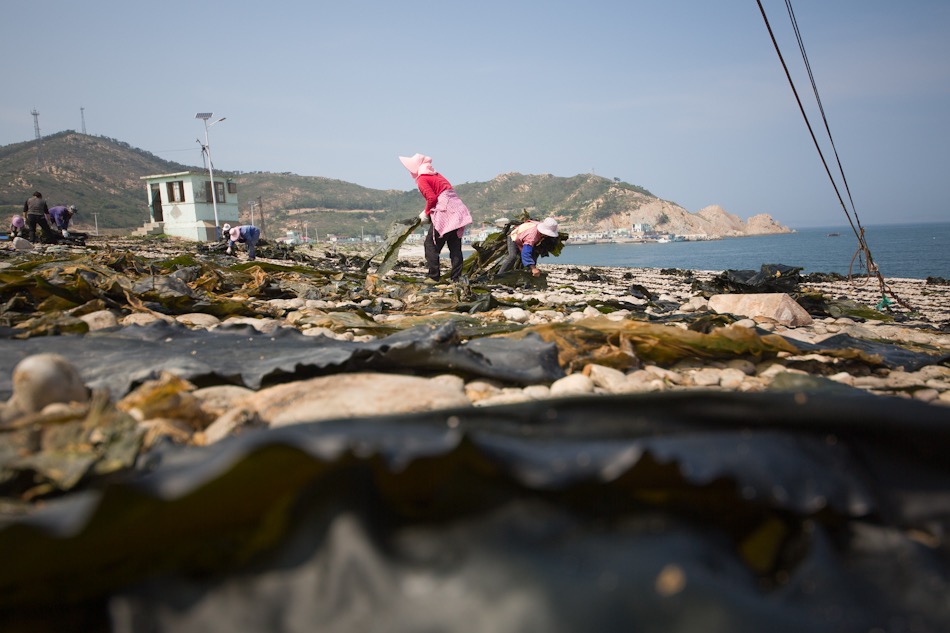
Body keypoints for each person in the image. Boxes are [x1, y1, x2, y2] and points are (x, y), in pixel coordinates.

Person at [399, 153, 473, 284]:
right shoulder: (436, 175)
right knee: (455, 247)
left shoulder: (422, 179)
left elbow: (432, 198)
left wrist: (426, 213)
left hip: (445, 212)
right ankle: (456, 278)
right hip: (458, 211)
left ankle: (434, 276)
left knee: (430, 245)